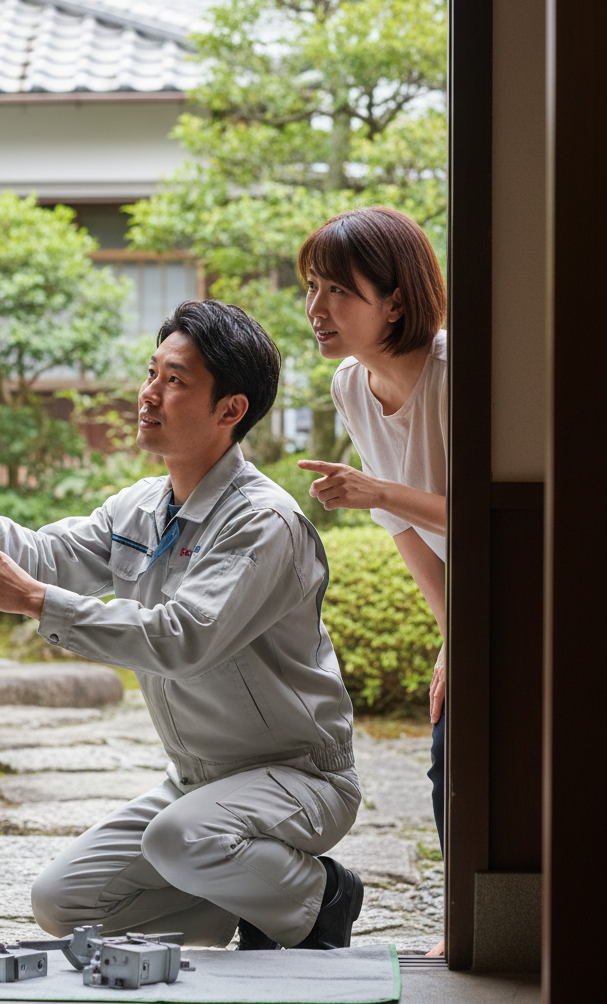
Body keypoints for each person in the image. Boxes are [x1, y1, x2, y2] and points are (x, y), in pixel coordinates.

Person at [0, 299, 364, 952]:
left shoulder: (262, 523)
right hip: (199, 784)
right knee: (60, 903)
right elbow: (51, 557)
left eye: (176, 380)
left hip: (299, 778)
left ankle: (323, 895)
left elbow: (182, 638)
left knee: (179, 837)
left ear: (230, 409)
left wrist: (39, 604)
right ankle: (245, 911)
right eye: (152, 372)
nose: (149, 393)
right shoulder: (139, 506)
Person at [295, 206, 447, 956]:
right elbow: (412, 533)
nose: (317, 309)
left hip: (534, 586)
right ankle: (472, 926)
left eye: (338, 292)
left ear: (396, 300)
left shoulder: (455, 374)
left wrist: (378, 491)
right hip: (469, 594)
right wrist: (454, 637)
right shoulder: (352, 386)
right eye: (312, 288)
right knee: (453, 752)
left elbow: (504, 522)